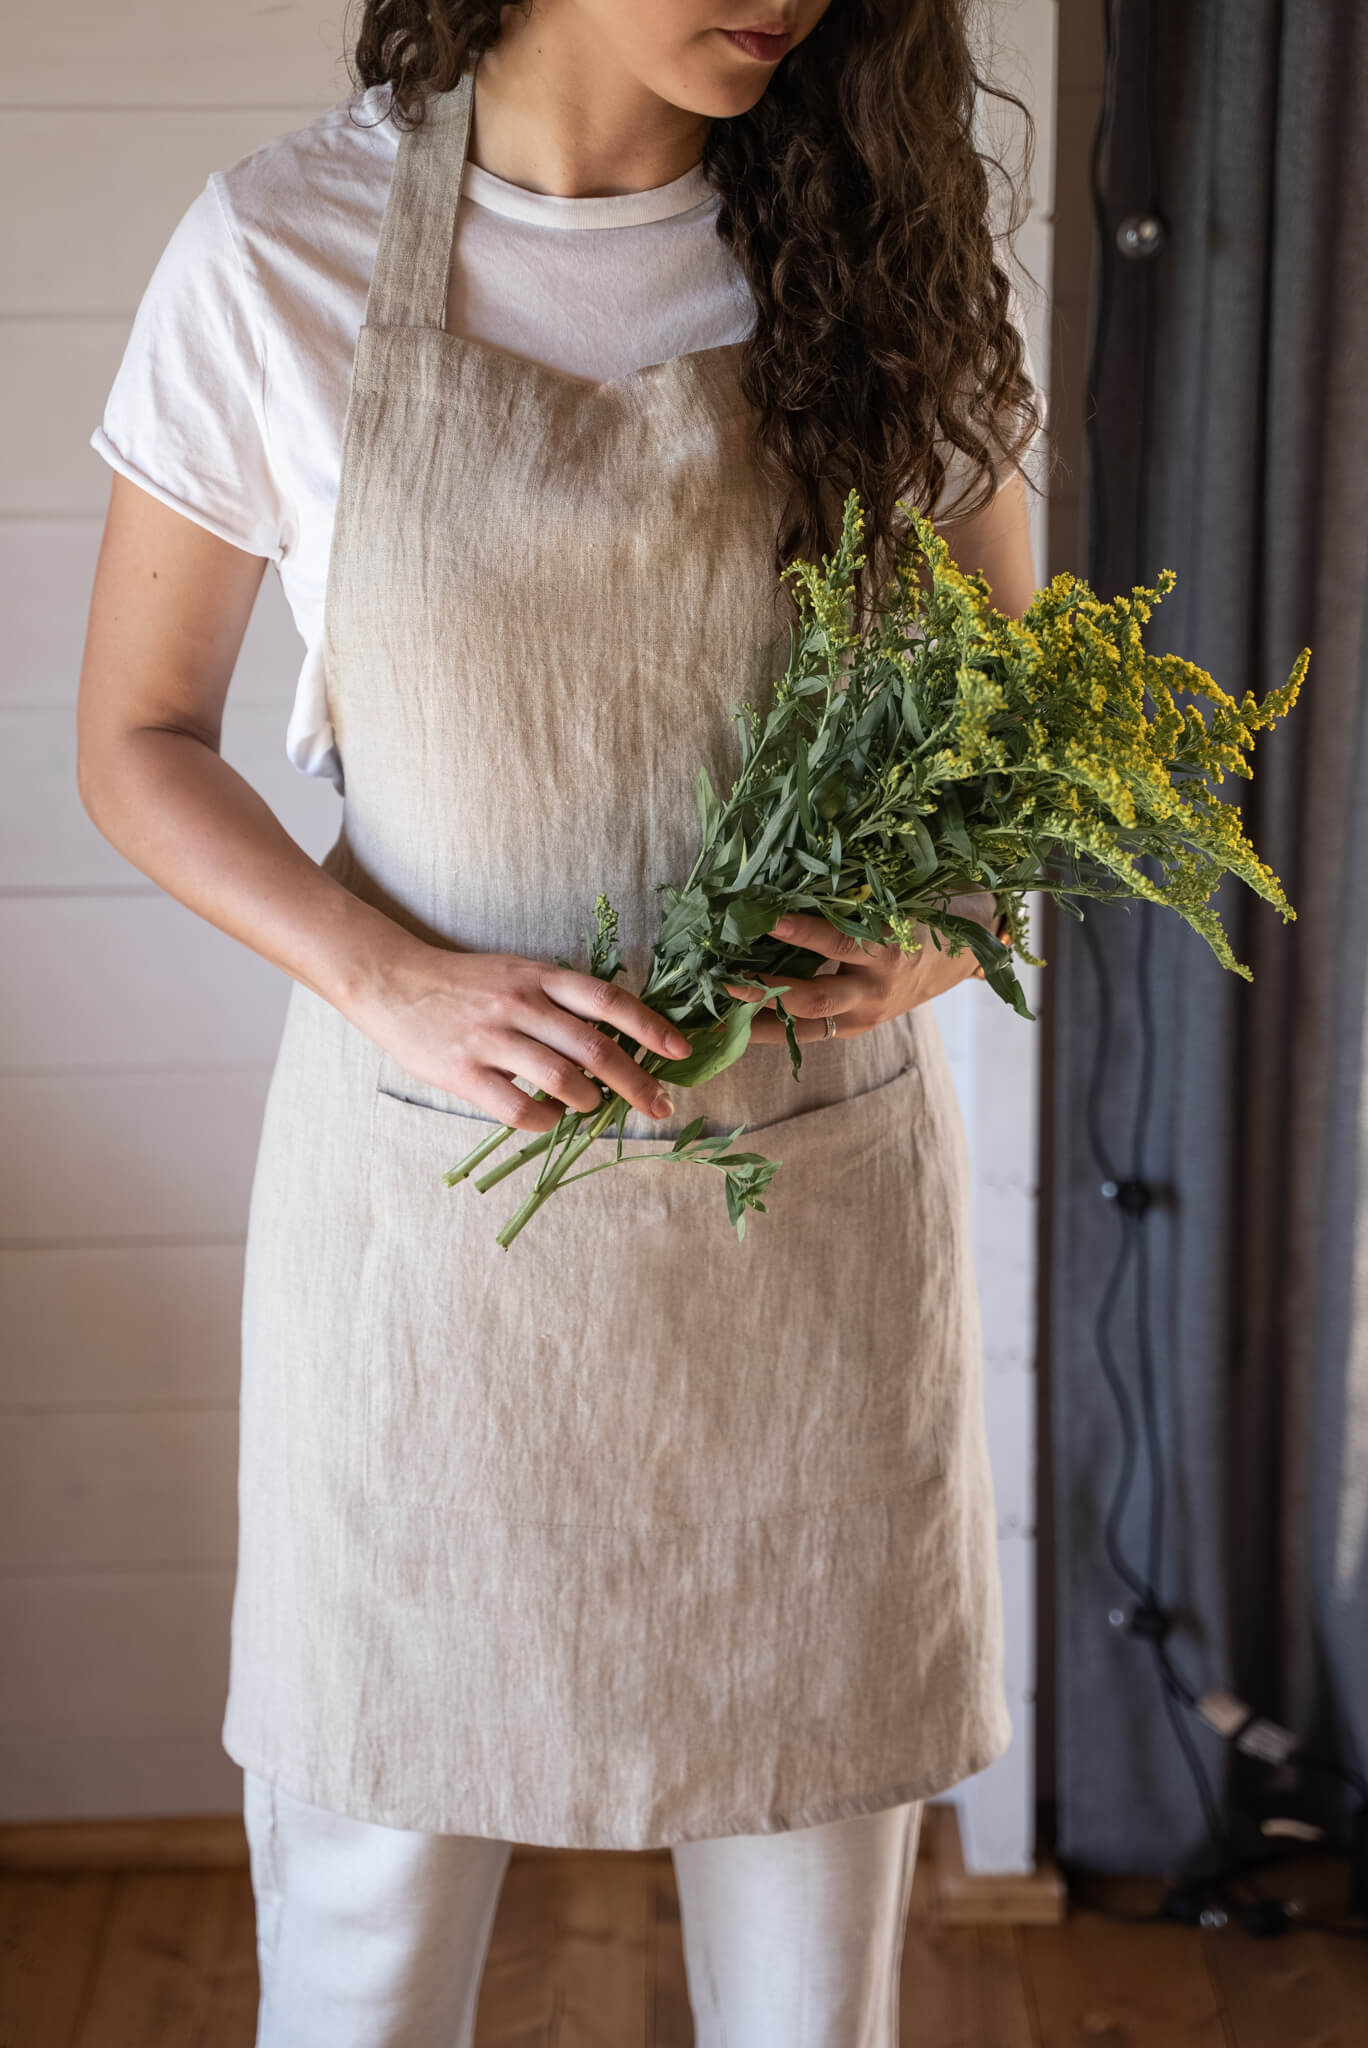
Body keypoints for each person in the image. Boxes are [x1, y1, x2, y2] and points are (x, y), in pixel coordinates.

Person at [77, 2, 1047, 2041]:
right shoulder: (284, 251)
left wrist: (936, 936)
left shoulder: (886, 261)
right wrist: (383, 973)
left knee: (811, 2002)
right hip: (432, 1262)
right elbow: (137, 739)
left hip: (808, 1254)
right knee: (359, 1962)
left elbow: (1011, 779)